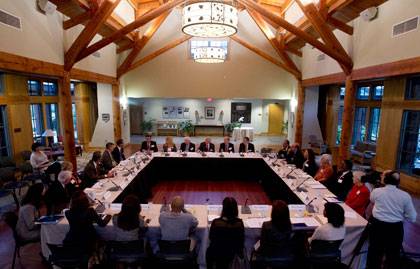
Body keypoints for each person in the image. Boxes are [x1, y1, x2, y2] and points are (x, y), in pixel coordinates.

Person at [367, 171, 417, 269]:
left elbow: (372, 200)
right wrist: (400, 214)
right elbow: (412, 217)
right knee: (392, 255)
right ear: (398, 182)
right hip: (395, 229)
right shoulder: (405, 195)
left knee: (374, 253)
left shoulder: (377, 191)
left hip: (377, 226)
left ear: (385, 180)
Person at [206, 197, 245, 268]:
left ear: (224, 209)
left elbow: (211, 238)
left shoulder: (216, 222)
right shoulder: (239, 223)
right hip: (231, 253)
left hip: (217, 252)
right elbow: (241, 240)